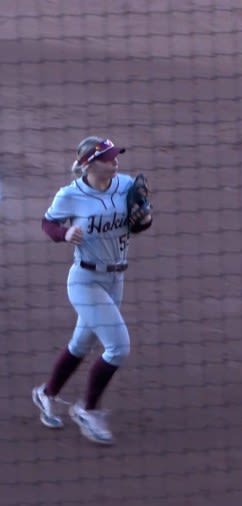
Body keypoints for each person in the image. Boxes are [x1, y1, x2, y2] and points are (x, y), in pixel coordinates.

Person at [32, 137, 153, 445]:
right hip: (85, 280)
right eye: (109, 158)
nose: (116, 161)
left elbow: (139, 221)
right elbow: (47, 223)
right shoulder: (70, 195)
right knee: (118, 347)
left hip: (116, 279)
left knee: (80, 343)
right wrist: (65, 232)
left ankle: (47, 393)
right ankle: (88, 409)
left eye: (116, 156)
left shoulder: (125, 185)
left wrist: (145, 219)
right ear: (89, 164)